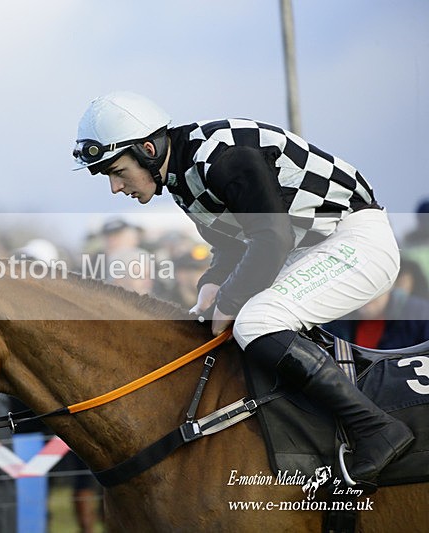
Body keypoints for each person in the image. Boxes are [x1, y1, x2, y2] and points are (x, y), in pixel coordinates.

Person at [71, 91, 414, 485]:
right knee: (225, 324)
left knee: (255, 321)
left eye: (117, 171)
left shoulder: (221, 157)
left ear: (148, 149)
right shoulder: (183, 175)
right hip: (311, 250)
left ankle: (376, 429)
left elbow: (271, 238)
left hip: (355, 240)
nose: (116, 187)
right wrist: (210, 288)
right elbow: (233, 246)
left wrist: (230, 299)